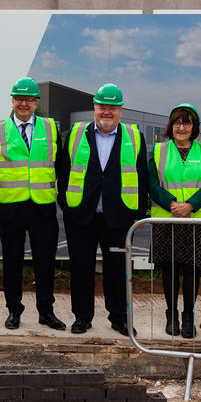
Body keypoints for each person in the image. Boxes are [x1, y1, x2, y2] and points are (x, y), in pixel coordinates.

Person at [57, 83, 148, 336]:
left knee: (118, 271)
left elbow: (141, 176)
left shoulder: (134, 136)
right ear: (94, 108)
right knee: (81, 269)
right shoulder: (76, 134)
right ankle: (82, 317)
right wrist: (66, 206)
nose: (106, 112)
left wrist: (138, 213)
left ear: (120, 110)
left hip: (118, 216)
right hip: (81, 216)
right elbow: (64, 173)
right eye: (102, 107)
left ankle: (119, 318)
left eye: (112, 108)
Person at [0, 77, 65, 332]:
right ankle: (14, 310)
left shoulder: (50, 127)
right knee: (12, 262)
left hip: (42, 207)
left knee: (45, 262)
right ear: (12, 101)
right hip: (11, 207)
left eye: (29, 99)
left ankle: (46, 311)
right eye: (19, 99)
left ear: (36, 103)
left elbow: (60, 164)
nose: (24, 103)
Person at [149, 103, 201, 338]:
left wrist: (190, 206)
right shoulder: (158, 150)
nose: (181, 127)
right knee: (169, 269)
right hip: (166, 218)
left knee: (190, 269)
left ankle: (188, 318)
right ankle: (172, 317)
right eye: (177, 122)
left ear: (194, 127)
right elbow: (152, 184)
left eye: (186, 122)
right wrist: (172, 204)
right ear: (171, 125)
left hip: (193, 220)